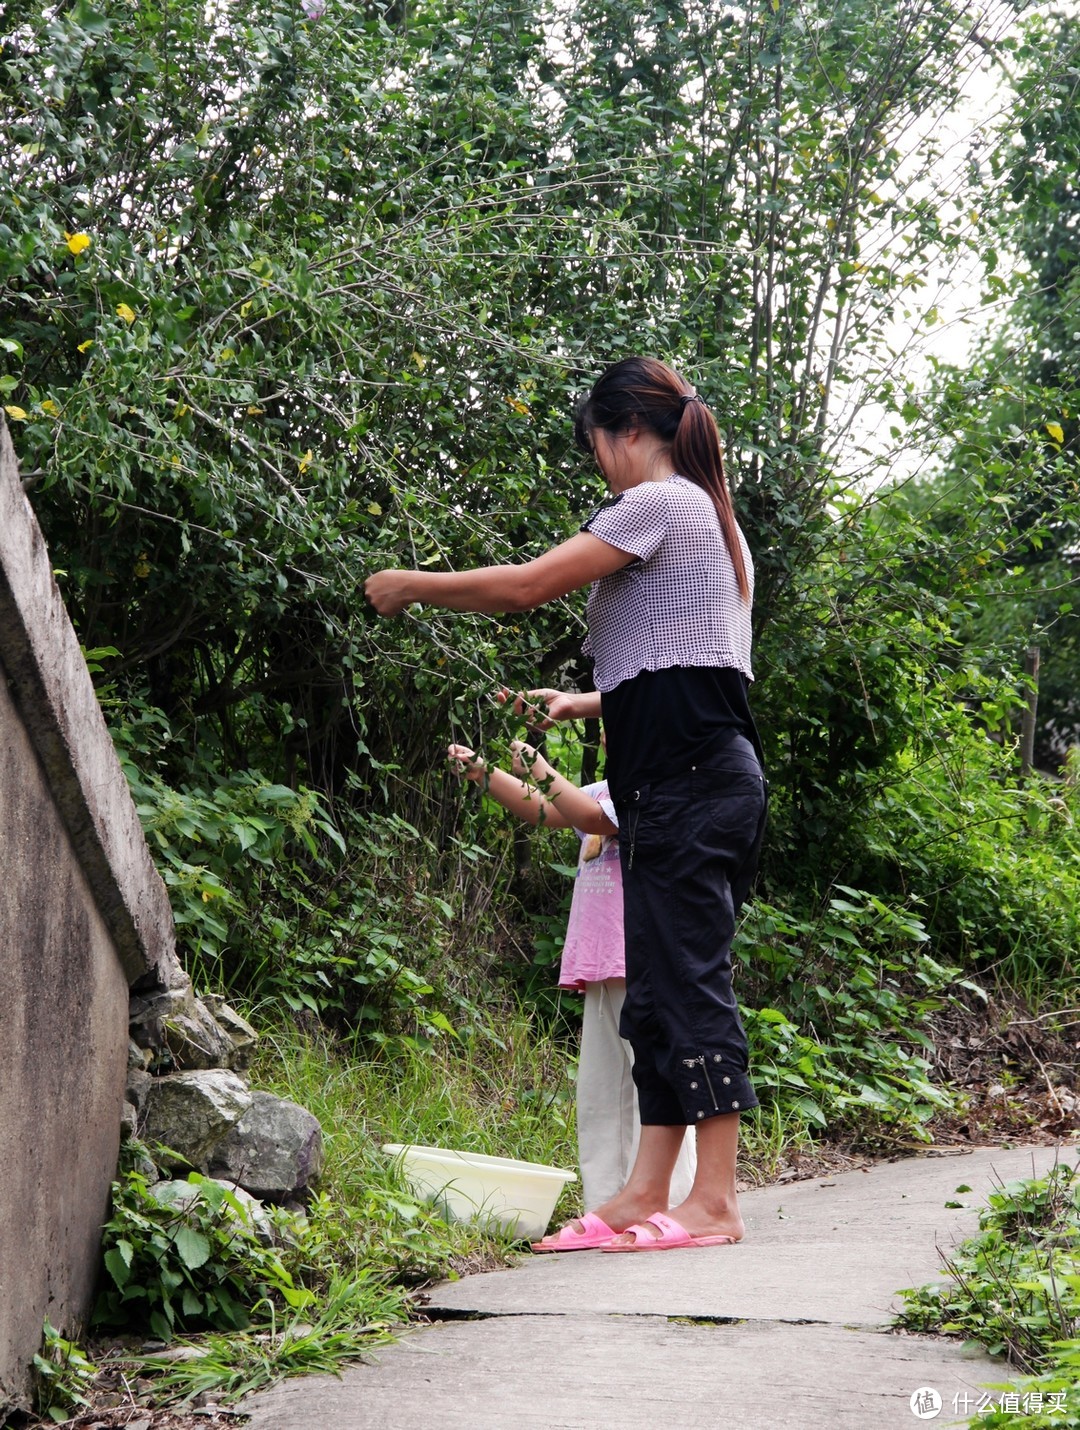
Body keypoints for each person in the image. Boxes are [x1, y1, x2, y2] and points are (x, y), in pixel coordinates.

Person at [366, 355, 767, 1251]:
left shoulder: (659, 501)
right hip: (686, 780)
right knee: (655, 994)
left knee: (689, 986)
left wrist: (411, 586)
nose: (599, 465)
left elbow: (524, 586)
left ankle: (716, 1201)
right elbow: (698, 661)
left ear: (625, 432)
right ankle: (642, 1191)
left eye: (596, 446)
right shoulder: (717, 523)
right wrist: (593, 702)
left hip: (691, 786)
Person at [445, 736, 696, 1248]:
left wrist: (539, 768)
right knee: (601, 1090)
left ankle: (670, 1200)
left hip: (644, 957)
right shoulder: (604, 787)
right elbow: (550, 812)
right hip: (603, 962)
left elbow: (595, 820)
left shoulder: (657, 787)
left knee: (656, 1083)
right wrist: (484, 772)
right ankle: (608, 1201)